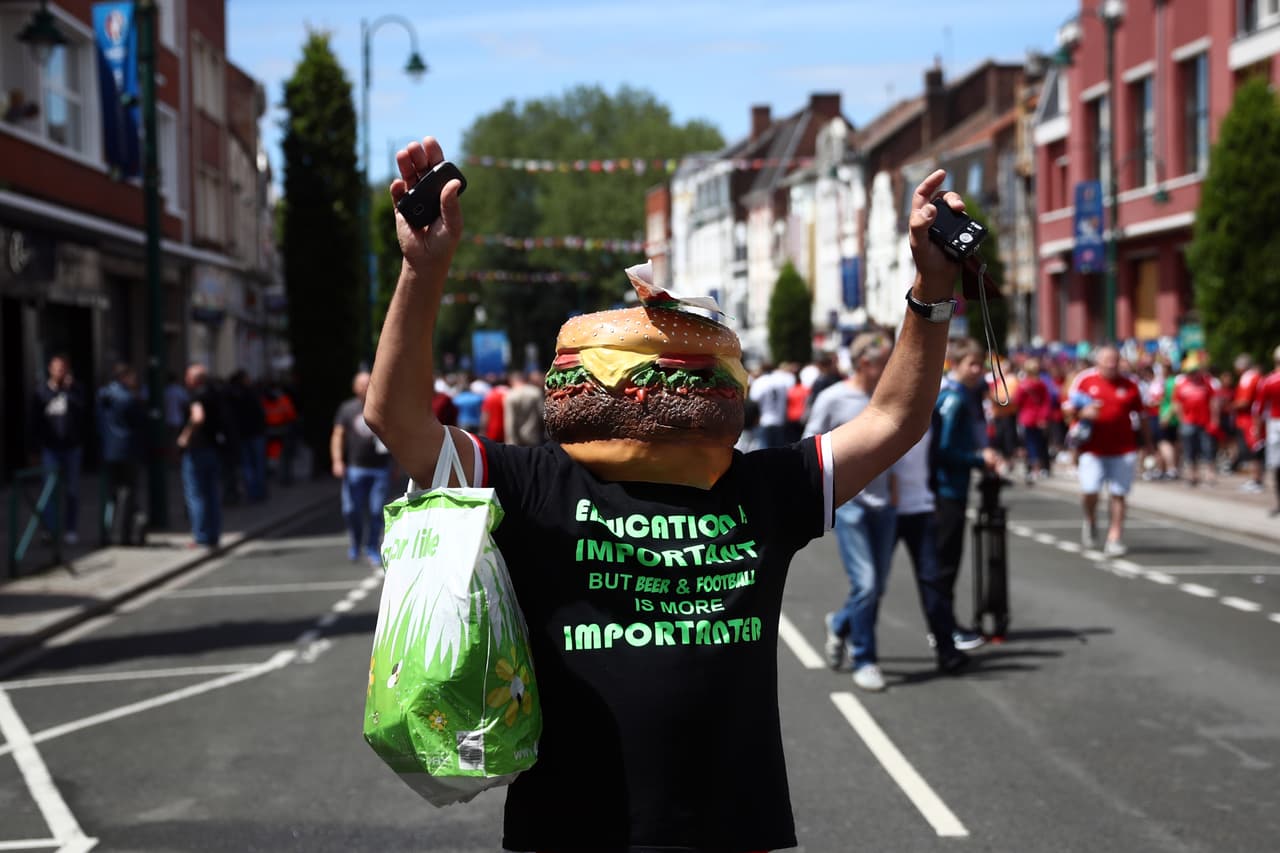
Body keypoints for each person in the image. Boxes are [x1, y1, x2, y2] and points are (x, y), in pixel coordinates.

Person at [363, 135, 960, 852]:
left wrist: (931, 293)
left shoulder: (762, 490)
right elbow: (394, 417)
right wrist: (422, 271)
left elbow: (895, 417)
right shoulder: (532, 485)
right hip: (571, 828)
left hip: (728, 829)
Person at [805, 333, 897, 692]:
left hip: (885, 504)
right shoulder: (834, 397)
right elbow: (811, 445)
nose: (892, 369)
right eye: (885, 362)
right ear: (864, 364)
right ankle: (865, 658)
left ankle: (840, 623)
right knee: (867, 584)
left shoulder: (887, 398)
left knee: (877, 587)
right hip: (852, 505)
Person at [931, 338, 999, 648]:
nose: (977, 370)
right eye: (971, 364)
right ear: (955, 364)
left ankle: (944, 625)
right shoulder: (953, 399)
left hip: (953, 488)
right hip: (946, 490)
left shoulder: (965, 396)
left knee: (946, 563)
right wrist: (977, 459)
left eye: (980, 364)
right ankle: (944, 628)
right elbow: (942, 450)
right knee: (945, 564)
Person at [891, 428, 971, 673]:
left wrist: (934, 497)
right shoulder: (877, 406)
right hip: (884, 512)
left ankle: (947, 650)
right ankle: (844, 627)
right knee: (871, 585)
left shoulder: (930, 413)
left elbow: (934, 458)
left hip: (921, 509)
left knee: (933, 580)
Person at [1063, 345, 1148, 556]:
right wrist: (1082, 413)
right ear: (1098, 362)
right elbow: (1066, 411)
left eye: (1115, 360)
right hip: (1093, 448)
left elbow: (1142, 415)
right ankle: (1090, 520)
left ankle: (1114, 537)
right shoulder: (1085, 380)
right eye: (1107, 360)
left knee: (1118, 494)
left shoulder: (1130, 384)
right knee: (1090, 490)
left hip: (1123, 447)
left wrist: (1148, 444)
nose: (1111, 364)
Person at [331, 371, 391, 566]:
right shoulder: (347, 409)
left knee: (375, 510)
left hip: (380, 468)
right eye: (362, 384)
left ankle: (372, 547)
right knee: (351, 509)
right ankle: (356, 543)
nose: (365, 387)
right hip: (355, 468)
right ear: (355, 387)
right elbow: (338, 435)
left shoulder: (382, 407)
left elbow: (394, 436)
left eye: (369, 383)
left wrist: (398, 463)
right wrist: (337, 461)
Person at [28, 354, 88, 544]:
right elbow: (34, 422)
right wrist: (34, 449)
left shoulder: (76, 390)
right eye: (57, 368)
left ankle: (70, 529)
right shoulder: (41, 393)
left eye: (63, 368)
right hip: (50, 449)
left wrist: (69, 391)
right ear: (50, 369)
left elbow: (83, 411)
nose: (60, 372)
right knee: (48, 490)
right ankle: (50, 530)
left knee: (72, 490)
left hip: (72, 448)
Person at [96, 364, 147, 545]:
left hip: (108, 450)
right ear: (123, 377)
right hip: (128, 450)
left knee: (110, 492)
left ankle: (107, 532)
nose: (135, 381)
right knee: (127, 491)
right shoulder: (129, 399)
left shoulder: (102, 395)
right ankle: (121, 534)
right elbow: (140, 425)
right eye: (132, 377)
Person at [176, 364, 224, 547]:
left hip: (197, 450)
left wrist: (184, 437)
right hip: (214, 448)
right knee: (212, 494)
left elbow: (197, 417)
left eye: (188, 376)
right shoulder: (214, 393)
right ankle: (214, 535)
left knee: (196, 495)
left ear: (194, 379)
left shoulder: (196, 395)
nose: (186, 379)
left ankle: (201, 536)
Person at [1172, 353, 1221, 487]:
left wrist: (1214, 419)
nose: (1192, 375)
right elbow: (1177, 404)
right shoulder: (1181, 384)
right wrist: (1181, 419)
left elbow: (1213, 401)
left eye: (1194, 372)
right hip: (1188, 422)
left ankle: (1210, 475)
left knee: (1208, 448)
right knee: (1189, 450)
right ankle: (1192, 475)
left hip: (1205, 422)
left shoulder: (1206, 383)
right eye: (1189, 372)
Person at [228, 370, 268, 503]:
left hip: (242, 434)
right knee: (257, 464)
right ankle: (259, 492)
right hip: (255, 433)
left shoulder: (232, 395)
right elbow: (261, 413)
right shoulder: (252, 393)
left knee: (247, 465)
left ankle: (252, 492)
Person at [1232, 354, 1265, 493]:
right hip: (1254, 418)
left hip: (1249, 419)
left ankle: (1256, 480)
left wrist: (1230, 406)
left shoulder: (1248, 378)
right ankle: (1256, 479)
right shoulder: (1257, 376)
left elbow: (1244, 401)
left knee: (1254, 450)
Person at [1253, 345, 1280, 516]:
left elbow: (1259, 409)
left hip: (1275, 425)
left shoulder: (1269, 381)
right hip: (1274, 424)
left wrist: (1257, 430)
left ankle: (1278, 503)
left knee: (1277, 467)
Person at [748, 362, 793, 448]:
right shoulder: (781, 381)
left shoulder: (760, 381)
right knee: (780, 452)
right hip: (780, 420)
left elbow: (754, 400)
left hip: (764, 420)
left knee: (764, 452)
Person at [503, 370, 546, 446]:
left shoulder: (510, 395)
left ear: (511, 381)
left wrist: (510, 443)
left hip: (517, 441)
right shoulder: (535, 392)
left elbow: (510, 421)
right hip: (534, 437)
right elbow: (542, 414)